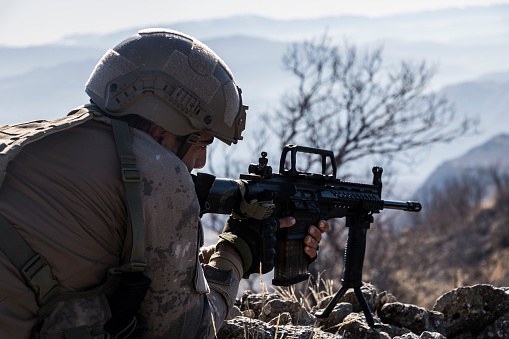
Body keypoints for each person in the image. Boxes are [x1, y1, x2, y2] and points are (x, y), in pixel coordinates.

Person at [0, 28, 329, 338]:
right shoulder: (158, 172)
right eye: (202, 143)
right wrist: (236, 251)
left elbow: (148, 271)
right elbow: (190, 330)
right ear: (161, 133)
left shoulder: (32, 138)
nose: (200, 162)